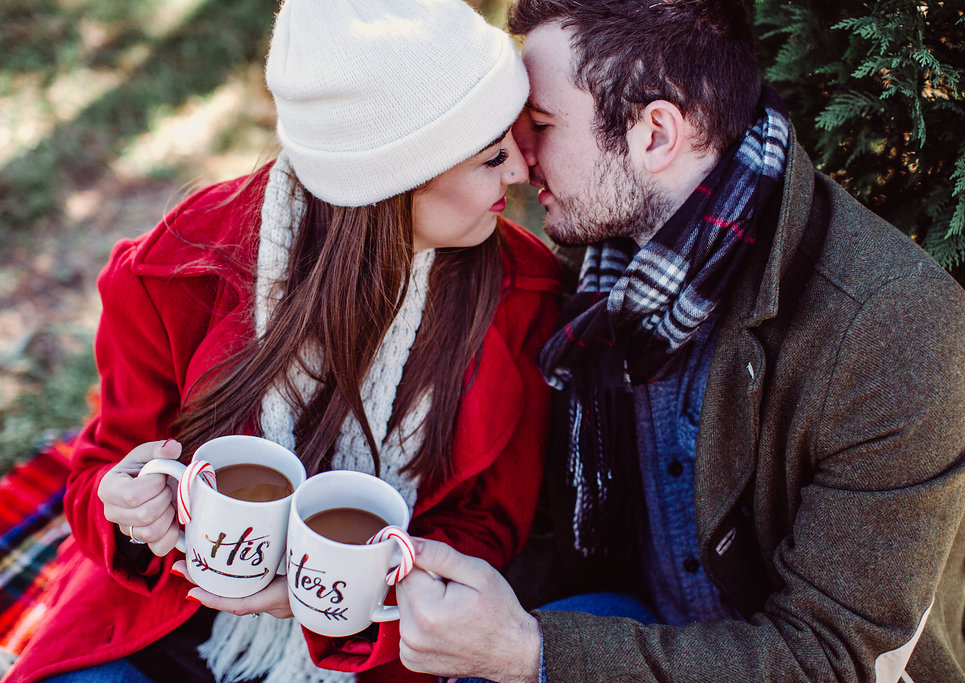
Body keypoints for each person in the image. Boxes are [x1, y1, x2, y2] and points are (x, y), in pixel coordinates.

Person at [393, 1, 965, 681]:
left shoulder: (895, 327)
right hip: (639, 629)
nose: (520, 161)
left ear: (655, 135)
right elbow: (548, 534)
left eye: (543, 125)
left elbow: (830, 660)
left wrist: (532, 651)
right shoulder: (596, 284)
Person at [4, 0, 563, 681]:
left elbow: (488, 524)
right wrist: (126, 506)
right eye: (492, 155)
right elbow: (103, 469)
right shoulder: (177, 271)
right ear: (391, 181)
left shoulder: (524, 295)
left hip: (367, 642)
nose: (521, 172)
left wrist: (337, 595)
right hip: (174, 611)